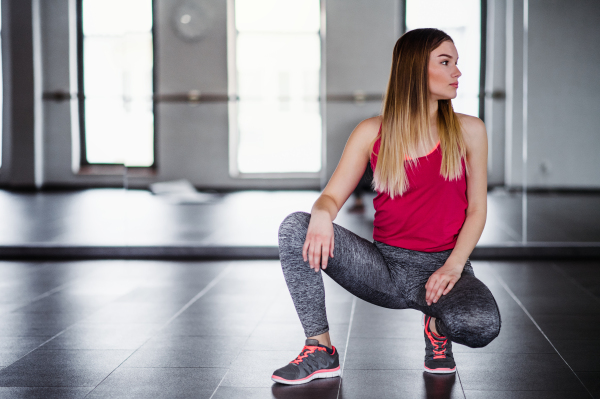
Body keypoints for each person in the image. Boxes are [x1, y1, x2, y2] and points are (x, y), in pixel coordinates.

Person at [271, 28, 501, 385]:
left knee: (481, 325)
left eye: (457, 63)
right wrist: (320, 213)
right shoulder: (371, 132)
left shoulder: (469, 130)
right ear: (414, 70)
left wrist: (454, 266)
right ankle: (320, 349)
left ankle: (437, 328)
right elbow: (331, 197)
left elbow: (477, 210)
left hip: (444, 270)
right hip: (384, 268)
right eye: (445, 62)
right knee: (295, 227)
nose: (457, 72)